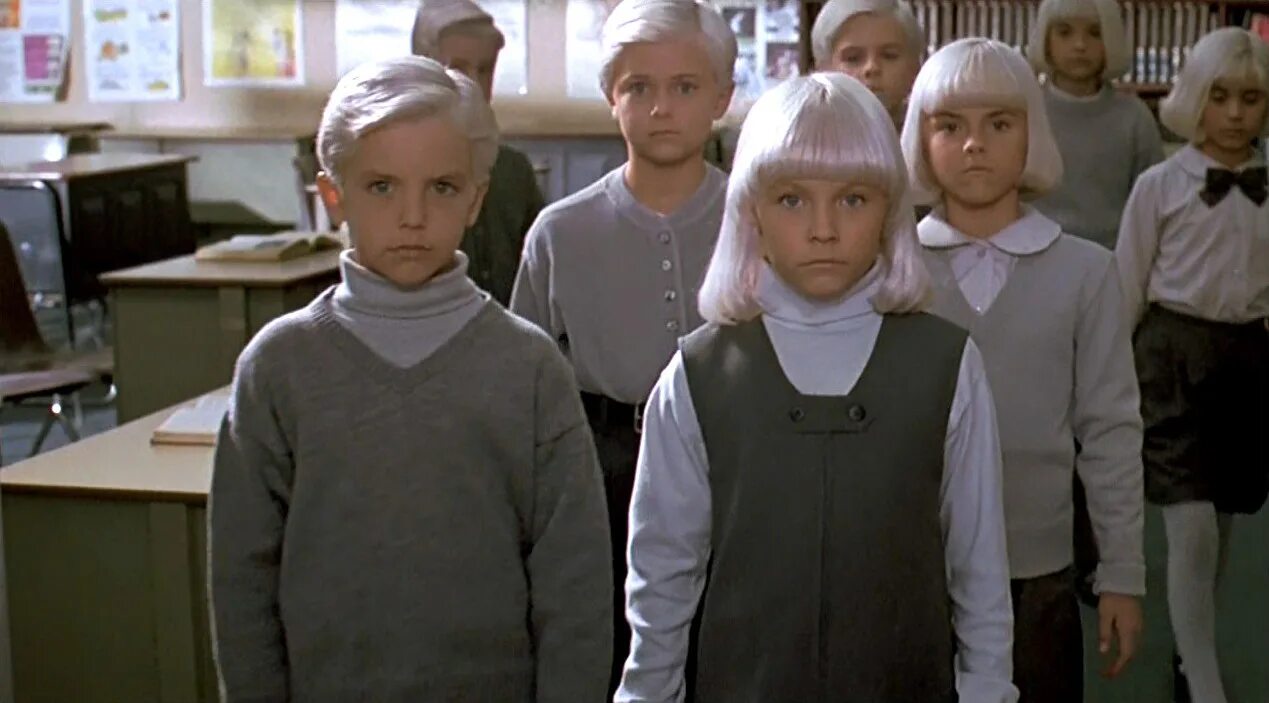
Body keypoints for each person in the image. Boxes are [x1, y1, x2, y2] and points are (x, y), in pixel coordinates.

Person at [209, 56, 612, 701]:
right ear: (332, 195)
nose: (413, 216)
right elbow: (242, 582)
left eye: (442, 188)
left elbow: (576, 582)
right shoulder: (278, 367)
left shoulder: (529, 367)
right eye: (381, 187)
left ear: (475, 198)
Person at [618, 72, 1016, 703]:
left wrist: (988, 691)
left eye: (853, 199)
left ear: (889, 212)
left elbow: (979, 568)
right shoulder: (698, 373)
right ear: (751, 211)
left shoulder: (947, 365)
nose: (824, 228)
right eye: (792, 200)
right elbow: (662, 573)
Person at [903, 37, 1146, 703]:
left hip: (1038, 568)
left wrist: (1121, 573)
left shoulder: (1086, 273)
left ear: (1031, 134)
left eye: (999, 124)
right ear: (919, 138)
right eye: (949, 126)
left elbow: (1110, 432)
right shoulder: (894, 272)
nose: (973, 144)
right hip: (912, 569)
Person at [1115, 27, 1269, 703]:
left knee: (1222, 517)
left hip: (1246, 360)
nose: (1233, 113)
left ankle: (1188, 652)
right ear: (1194, 98)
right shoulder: (1158, 186)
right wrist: (1105, 382)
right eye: (1219, 96)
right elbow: (1126, 285)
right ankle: (1207, 687)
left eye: (1250, 99)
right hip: (1172, 360)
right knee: (1192, 525)